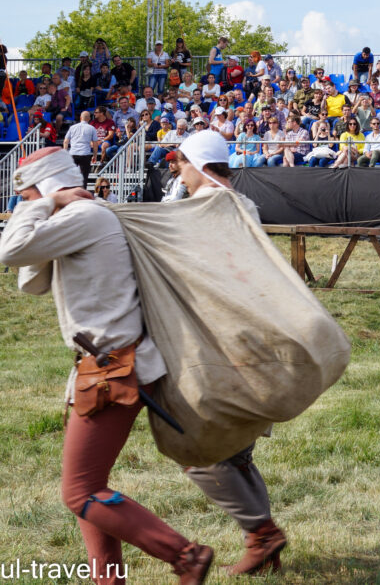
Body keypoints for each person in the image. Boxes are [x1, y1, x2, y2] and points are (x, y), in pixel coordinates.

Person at [0, 147, 215, 584]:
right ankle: (108, 579)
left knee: (80, 491)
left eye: (27, 192)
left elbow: (10, 250)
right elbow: (31, 280)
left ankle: (185, 555)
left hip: (114, 369)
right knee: (88, 487)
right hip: (104, 366)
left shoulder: (84, 217)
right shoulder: (78, 218)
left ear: (46, 188)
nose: (23, 201)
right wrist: (45, 207)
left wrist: (39, 205)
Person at [172, 132, 289, 575]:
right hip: (242, 338)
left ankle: (262, 533)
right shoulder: (239, 204)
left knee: (196, 448)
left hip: (225, 343)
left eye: (180, 163)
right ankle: (264, 545)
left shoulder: (213, 206)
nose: (176, 173)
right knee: (237, 454)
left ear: (199, 165)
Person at [63, 111, 99, 187]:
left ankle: (71, 193)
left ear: (80, 118)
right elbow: (95, 144)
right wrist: (94, 155)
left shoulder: (72, 127)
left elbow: (66, 141)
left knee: (71, 176)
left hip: (73, 153)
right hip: (85, 154)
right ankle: (82, 194)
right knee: (84, 177)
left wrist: (65, 154)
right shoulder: (92, 128)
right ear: (89, 118)